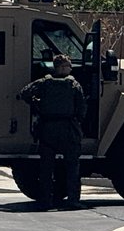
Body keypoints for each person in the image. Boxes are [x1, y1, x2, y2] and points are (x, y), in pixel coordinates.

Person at [18, 54, 86, 210]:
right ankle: (73, 200)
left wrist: (37, 104)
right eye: (68, 65)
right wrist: (77, 121)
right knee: (72, 167)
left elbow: (24, 93)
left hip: (48, 128)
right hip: (68, 129)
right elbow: (82, 107)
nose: (70, 68)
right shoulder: (73, 84)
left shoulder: (44, 83)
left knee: (46, 168)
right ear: (62, 67)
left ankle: (45, 200)